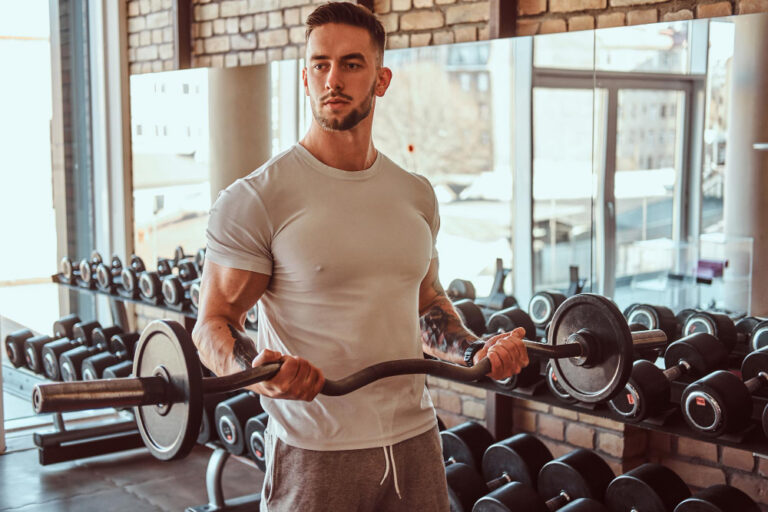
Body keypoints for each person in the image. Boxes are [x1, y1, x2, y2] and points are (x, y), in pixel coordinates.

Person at [192, 3, 528, 511]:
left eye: (351, 64)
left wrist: (475, 352)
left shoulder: (414, 195)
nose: (333, 78)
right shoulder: (257, 198)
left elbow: (425, 305)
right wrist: (260, 368)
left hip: (415, 440)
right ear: (305, 77)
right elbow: (212, 325)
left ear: (381, 78)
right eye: (320, 64)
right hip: (315, 452)